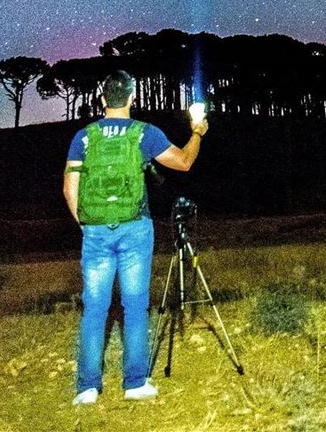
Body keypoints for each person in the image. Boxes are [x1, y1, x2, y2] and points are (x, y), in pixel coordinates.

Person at [63, 70, 208, 405]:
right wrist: (197, 132)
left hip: (96, 229)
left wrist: (86, 224)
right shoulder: (146, 133)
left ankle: (87, 388)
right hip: (135, 228)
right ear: (131, 98)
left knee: (95, 309)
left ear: (102, 100)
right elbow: (184, 162)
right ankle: (135, 384)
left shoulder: (83, 137)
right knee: (135, 305)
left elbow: (70, 188)